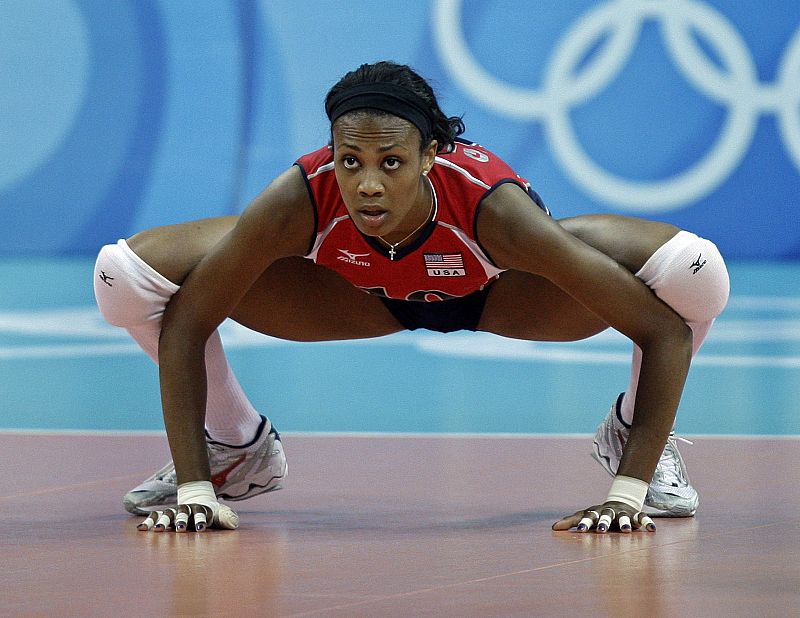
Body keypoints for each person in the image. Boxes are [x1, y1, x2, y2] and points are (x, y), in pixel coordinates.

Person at [93, 61, 729, 533]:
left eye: (390, 163)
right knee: (122, 276)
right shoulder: (300, 195)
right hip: (354, 295)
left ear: (429, 155)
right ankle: (233, 449)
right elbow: (188, 321)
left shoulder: (493, 210)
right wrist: (196, 491)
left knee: (696, 273)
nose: (366, 183)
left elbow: (663, 329)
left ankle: (636, 434)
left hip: (507, 295)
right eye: (350, 161)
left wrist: (628, 491)